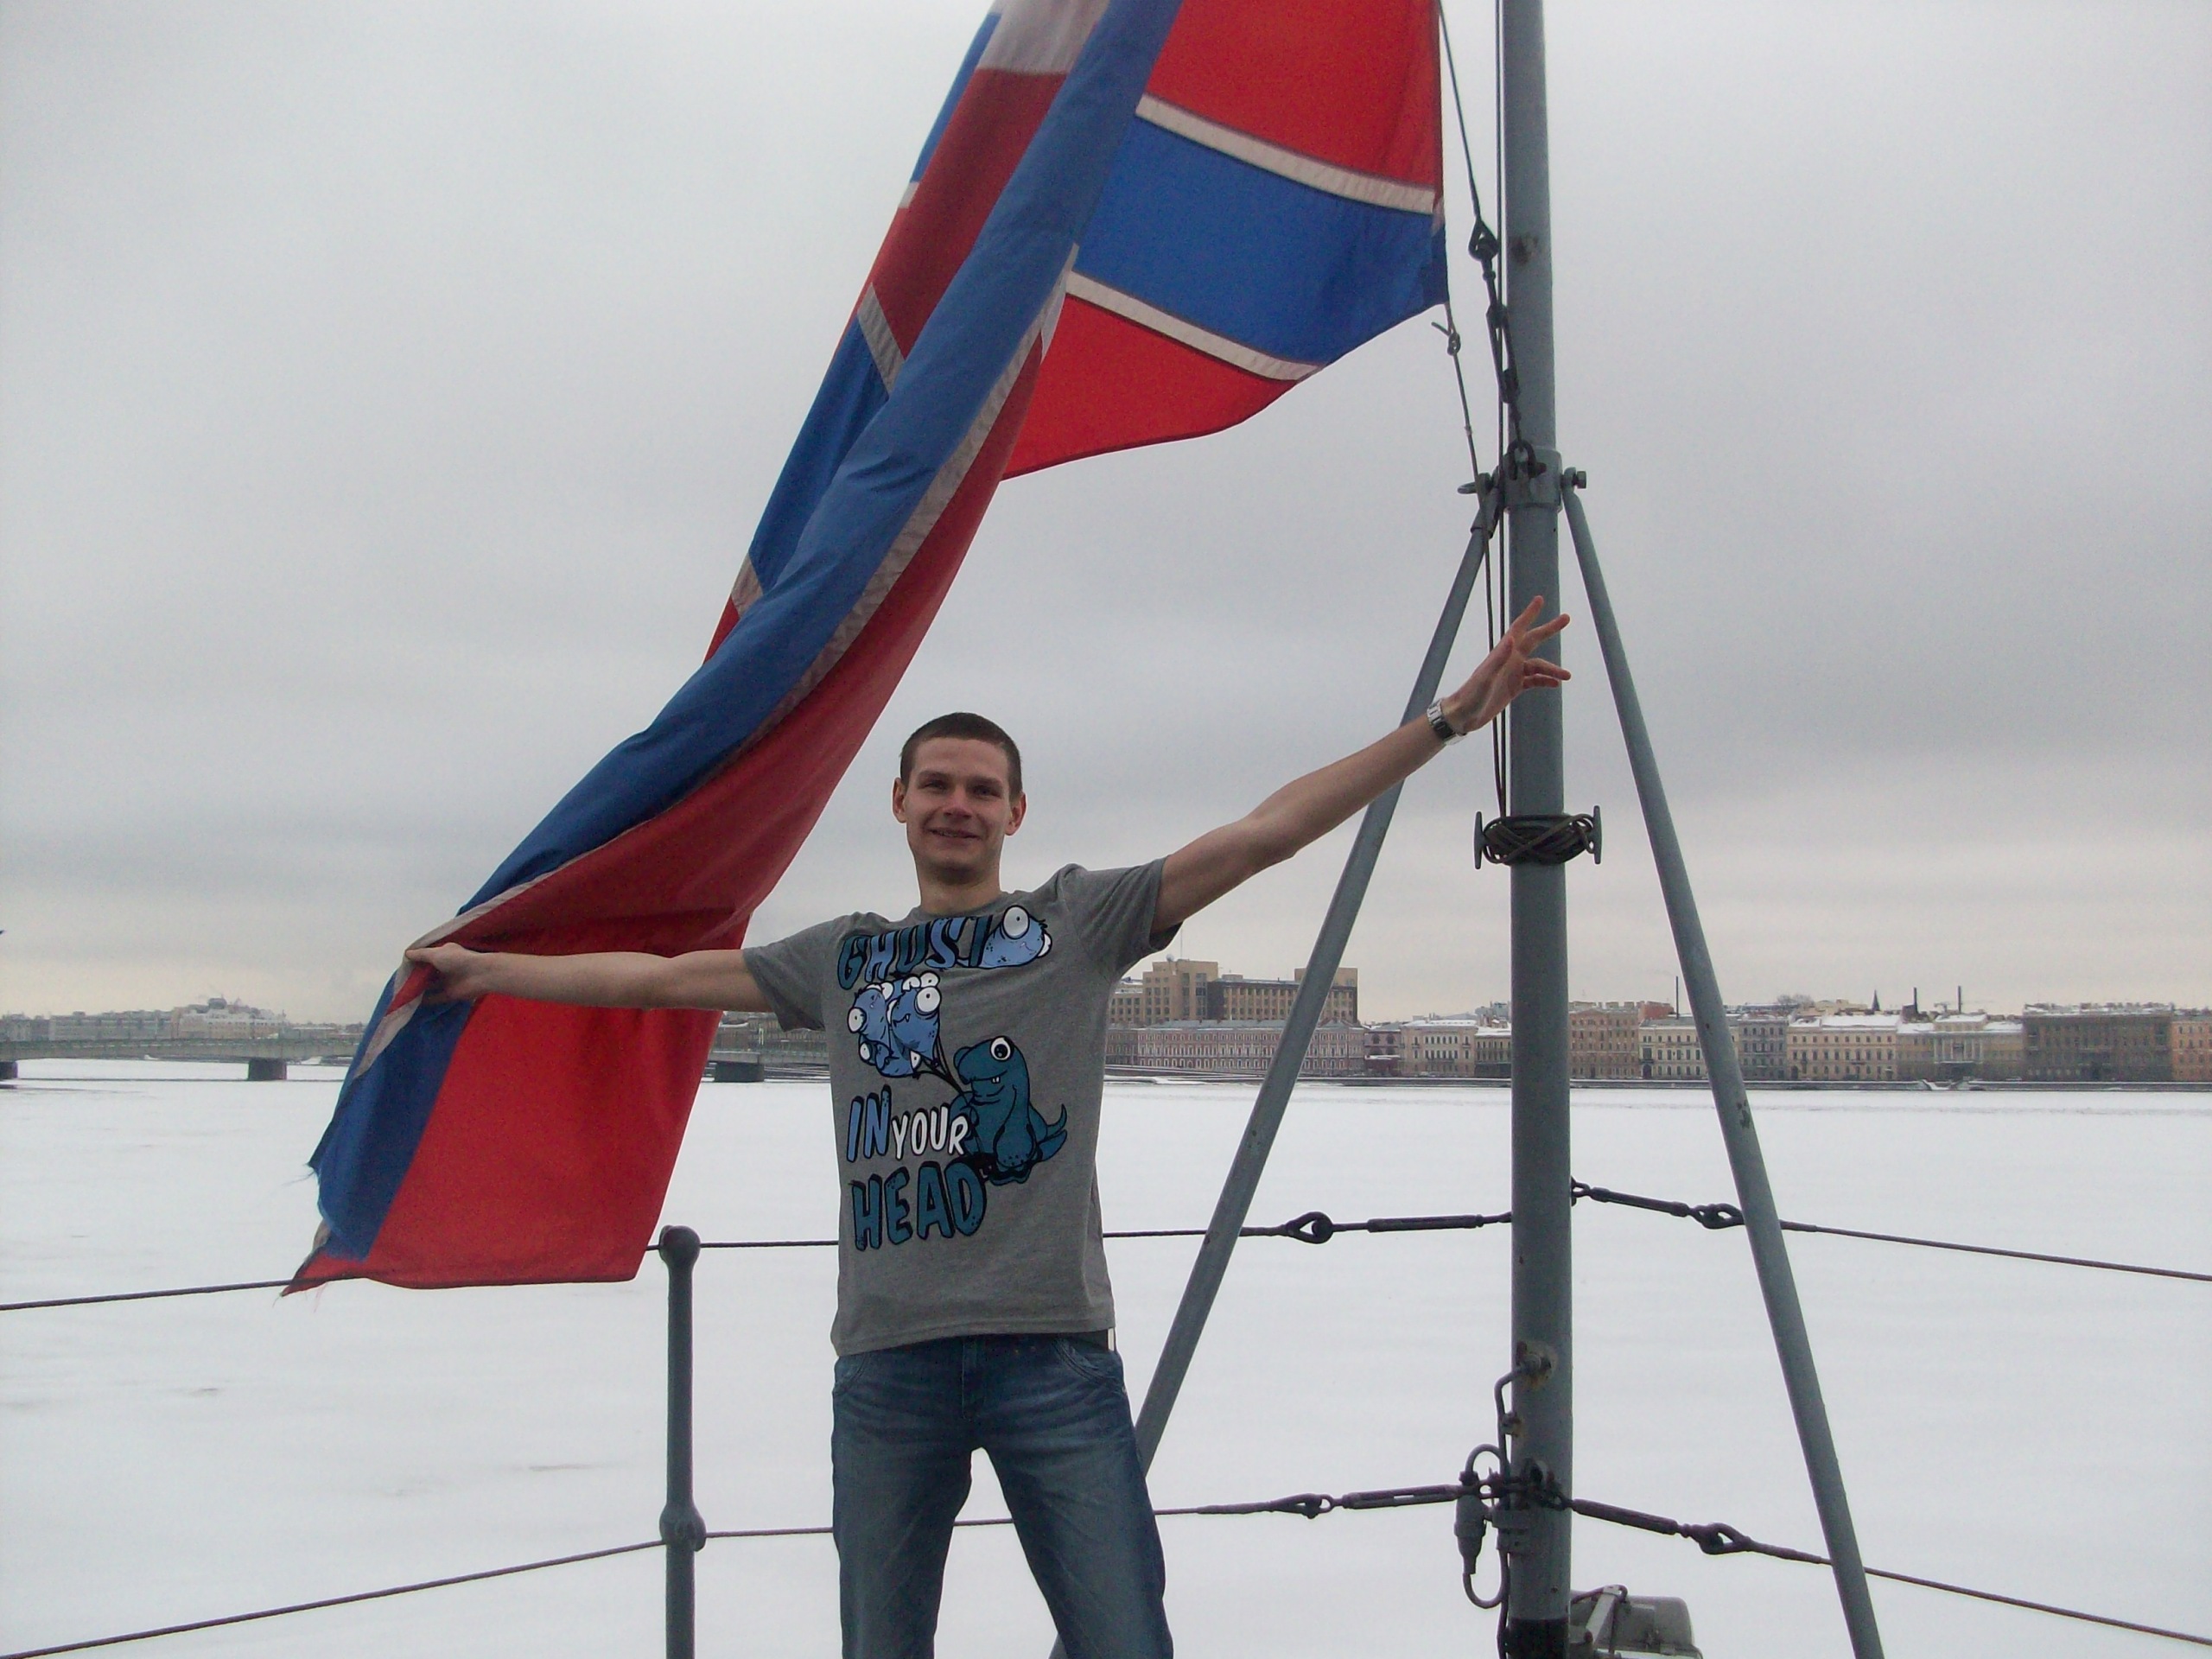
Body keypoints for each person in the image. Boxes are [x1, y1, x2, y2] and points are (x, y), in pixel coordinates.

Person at [407, 595, 1569, 1659]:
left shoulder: (1080, 922)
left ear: (1015, 812)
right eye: (935, 785)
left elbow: (1265, 833)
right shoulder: (843, 958)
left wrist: (1446, 724)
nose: (956, 805)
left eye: (979, 788)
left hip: (1051, 1357)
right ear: (901, 804)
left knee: (1123, 1638)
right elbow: (657, 981)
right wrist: (486, 970)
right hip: (886, 1366)